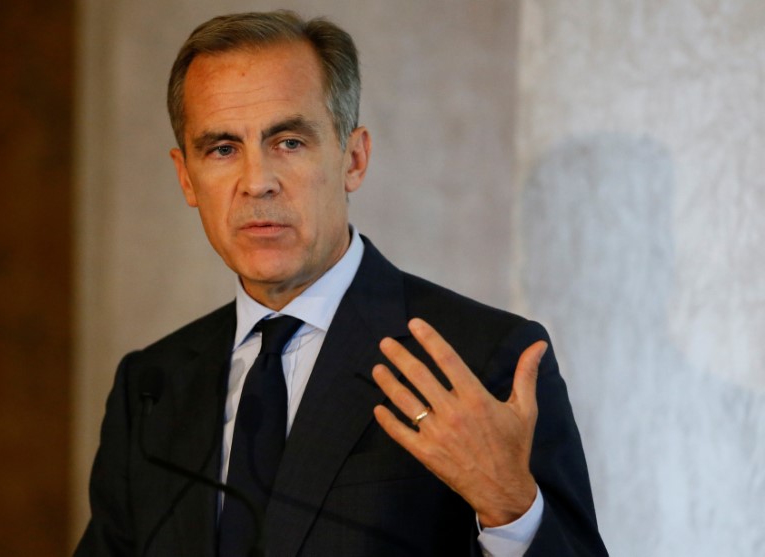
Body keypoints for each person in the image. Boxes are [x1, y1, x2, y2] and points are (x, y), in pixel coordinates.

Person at [75, 10, 607, 557]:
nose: (256, 182)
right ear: (187, 177)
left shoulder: (479, 359)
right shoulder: (152, 386)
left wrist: (511, 512)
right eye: (223, 149)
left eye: (288, 142)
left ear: (353, 159)